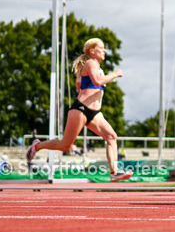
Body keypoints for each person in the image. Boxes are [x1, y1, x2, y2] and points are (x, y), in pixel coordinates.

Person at [28, 38, 132, 182]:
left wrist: (84, 90)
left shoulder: (95, 66)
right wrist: (115, 74)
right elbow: (97, 81)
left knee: (112, 137)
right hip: (81, 110)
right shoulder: (91, 62)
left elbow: (79, 83)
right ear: (92, 51)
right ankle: (37, 146)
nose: (104, 51)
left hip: (95, 113)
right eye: (101, 48)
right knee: (65, 146)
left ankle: (114, 172)